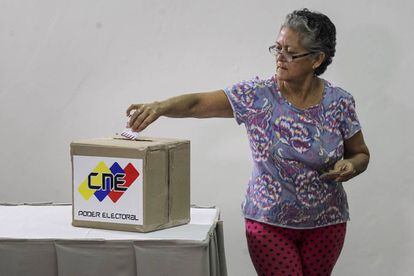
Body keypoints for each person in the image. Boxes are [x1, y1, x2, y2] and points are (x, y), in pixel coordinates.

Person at [126, 8, 370, 276]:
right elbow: (198, 104)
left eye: (290, 52)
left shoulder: (339, 102)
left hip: (327, 222)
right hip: (268, 223)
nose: (280, 57)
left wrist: (352, 165)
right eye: (277, 48)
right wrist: (160, 107)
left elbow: (360, 153)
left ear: (316, 59)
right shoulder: (257, 96)